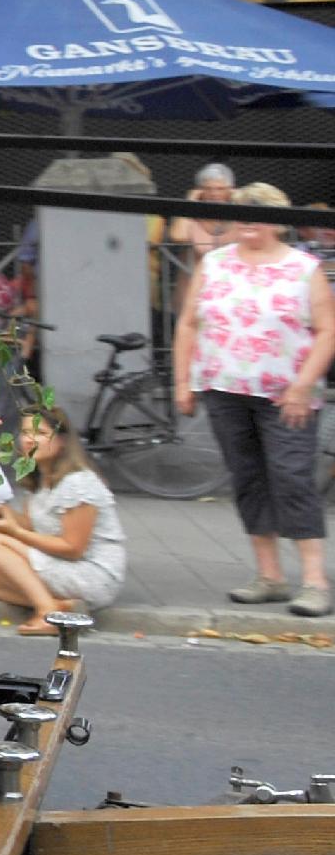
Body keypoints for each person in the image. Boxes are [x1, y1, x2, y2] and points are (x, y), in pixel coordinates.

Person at [174, 182, 335, 617]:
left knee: (292, 477)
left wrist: (303, 384)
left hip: (288, 394)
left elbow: (328, 330)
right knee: (247, 477)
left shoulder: (304, 269)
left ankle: (316, 581)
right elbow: (189, 323)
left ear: (279, 222)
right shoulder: (215, 264)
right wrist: (182, 382)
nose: (247, 220)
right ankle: (270, 576)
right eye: (242, 212)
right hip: (224, 388)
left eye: (257, 213)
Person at [0, 406, 128, 632]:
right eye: (26, 433)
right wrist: (3, 515)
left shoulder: (77, 483)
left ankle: (46, 612)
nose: (30, 440)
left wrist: (13, 532)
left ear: (62, 442)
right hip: (61, 564)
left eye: (40, 434)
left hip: (92, 573)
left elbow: (72, 548)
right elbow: (33, 527)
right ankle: (58, 606)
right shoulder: (40, 479)